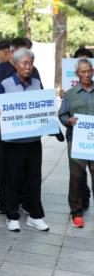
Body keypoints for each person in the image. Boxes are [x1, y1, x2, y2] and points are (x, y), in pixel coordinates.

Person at [0, 48, 49, 232]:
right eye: (24, 63)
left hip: (33, 141)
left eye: (31, 63)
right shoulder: (5, 84)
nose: (28, 67)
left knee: (34, 179)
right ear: (15, 64)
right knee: (12, 179)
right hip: (13, 143)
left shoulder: (37, 83)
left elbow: (43, 107)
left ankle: (35, 215)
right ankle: (12, 216)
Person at [58, 59, 94, 228]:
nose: (87, 74)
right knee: (76, 178)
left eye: (89, 71)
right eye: (83, 72)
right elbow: (62, 115)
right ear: (77, 74)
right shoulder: (70, 94)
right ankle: (76, 213)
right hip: (77, 142)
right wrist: (69, 121)